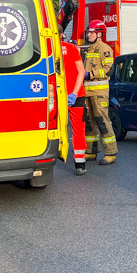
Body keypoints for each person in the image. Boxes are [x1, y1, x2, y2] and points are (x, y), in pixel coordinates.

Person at [82, 20, 118, 165]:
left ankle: (111, 153)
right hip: (88, 93)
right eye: (89, 32)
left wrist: (90, 74)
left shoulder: (105, 49)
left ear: (99, 34)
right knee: (89, 123)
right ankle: (91, 151)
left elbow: (109, 70)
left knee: (102, 122)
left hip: (99, 93)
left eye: (91, 32)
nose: (88, 34)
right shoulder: (89, 49)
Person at [60, 29, 88, 175]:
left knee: (55, 127)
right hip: (76, 95)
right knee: (78, 129)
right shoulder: (71, 48)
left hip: (57, 95)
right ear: (62, 34)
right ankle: (80, 164)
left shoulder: (48, 47)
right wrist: (74, 93)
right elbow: (81, 71)